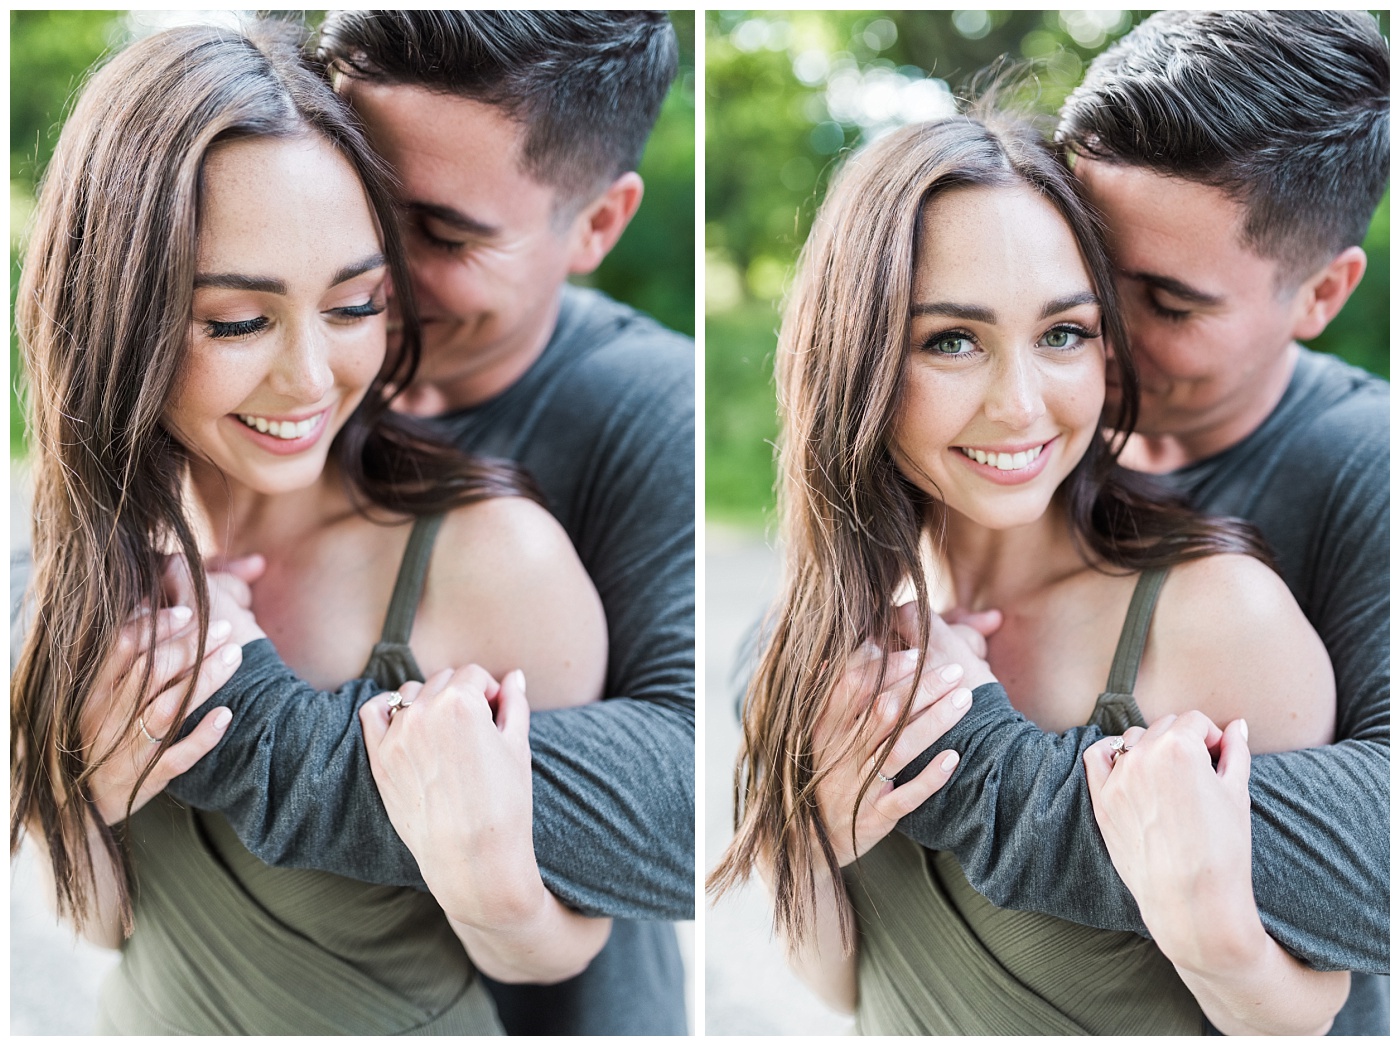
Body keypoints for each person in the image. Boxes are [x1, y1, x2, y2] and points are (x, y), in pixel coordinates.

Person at [759, 9, 1388, 1036]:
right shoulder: (911, 547)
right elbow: (838, 970)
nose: (1094, 360)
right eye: (1087, 280)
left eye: (1159, 303)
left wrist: (951, 739)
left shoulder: (1348, 491)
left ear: (1321, 292)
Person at [10, 20, 621, 1034]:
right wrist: (84, 805)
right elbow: (107, 926)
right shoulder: (82, 556)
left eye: (354, 304)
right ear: (115, 314)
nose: (309, 378)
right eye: (238, 322)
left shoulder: (491, 560)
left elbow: (572, 943)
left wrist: (488, 883)